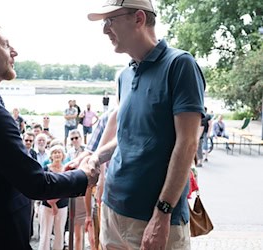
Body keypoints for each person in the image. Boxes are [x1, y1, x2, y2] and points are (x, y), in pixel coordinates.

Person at [0, 22, 99, 250]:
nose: (14, 52)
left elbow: (6, 168)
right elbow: (35, 184)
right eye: (5, 45)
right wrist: (83, 176)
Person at [85, 1, 205, 249]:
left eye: (110, 21)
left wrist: (163, 213)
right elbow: (127, 136)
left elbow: (188, 143)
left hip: (154, 217)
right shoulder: (124, 76)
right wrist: (96, 156)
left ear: (138, 19)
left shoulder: (180, 64)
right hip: (112, 209)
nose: (105, 30)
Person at [38, 145, 69, 250]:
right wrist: (52, 204)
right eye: (54, 152)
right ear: (51, 155)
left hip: (62, 206)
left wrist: (55, 204)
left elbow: (67, 189)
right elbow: (42, 188)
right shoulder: (45, 169)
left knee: (60, 233)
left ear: (63, 155)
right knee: (45, 233)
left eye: (59, 152)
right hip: (46, 205)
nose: (57, 154)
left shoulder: (66, 169)